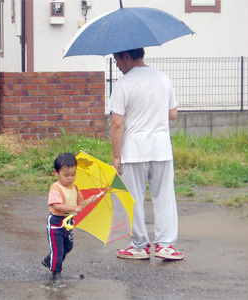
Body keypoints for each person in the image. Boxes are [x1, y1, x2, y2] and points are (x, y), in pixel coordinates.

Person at [109, 48, 184, 261]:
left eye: (117, 59)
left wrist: (116, 156)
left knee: (132, 198)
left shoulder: (124, 84)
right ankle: (166, 245)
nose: (117, 65)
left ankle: (139, 245)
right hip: (161, 147)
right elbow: (173, 114)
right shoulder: (163, 78)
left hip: (134, 150)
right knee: (165, 196)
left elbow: (116, 123)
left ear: (126, 56)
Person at [41, 153, 98, 288]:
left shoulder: (75, 188)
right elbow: (56, 205)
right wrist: (74, 208)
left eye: (73, 175)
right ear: (56, 173)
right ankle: (56, 275)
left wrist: (89, 201)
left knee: (68, 247)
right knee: (58, 251)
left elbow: (78, 204)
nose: (70, 178)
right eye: (66, 175)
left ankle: (49, 260)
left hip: (69, 222)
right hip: (56, 222)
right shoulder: (56, 188)